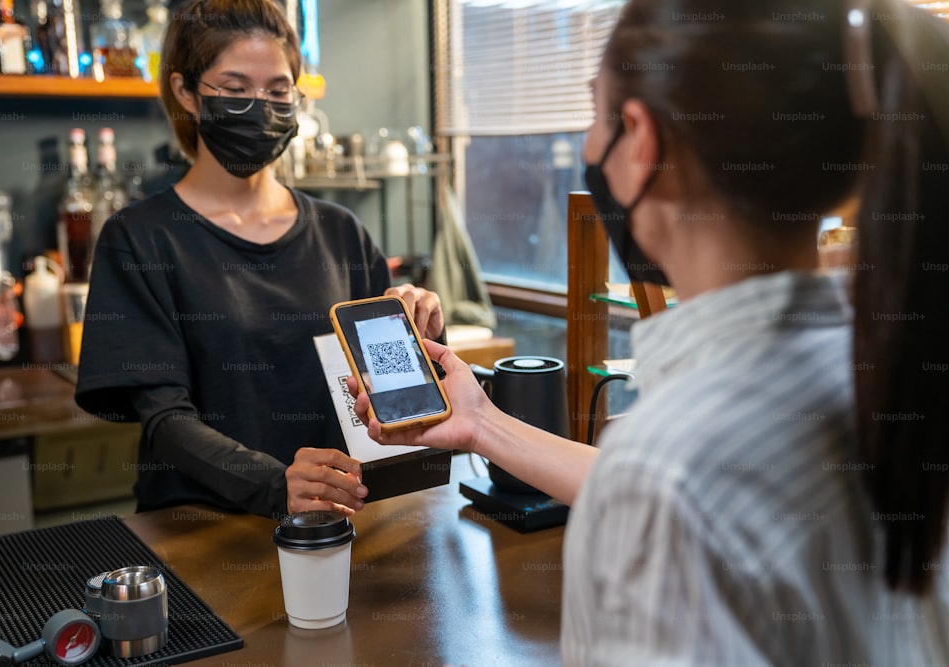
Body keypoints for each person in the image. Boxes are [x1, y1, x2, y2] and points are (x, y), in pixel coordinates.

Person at [351, 0, 949, 664]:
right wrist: (482, 423)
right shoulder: (889, 363)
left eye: (592, 111)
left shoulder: (667, 478)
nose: (585, 146)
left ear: (641, 140)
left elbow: (670, 484)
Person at [74, 0, 443, 519]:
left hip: (336, 521)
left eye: (277, 90)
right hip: (202, 533)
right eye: (235, 88)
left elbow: (388, 394)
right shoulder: (140, 240)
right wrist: (276, 485)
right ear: (186, 92)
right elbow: (165, 420)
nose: (261, 105)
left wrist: (423, 334)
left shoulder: (342, 233)